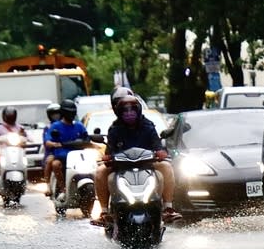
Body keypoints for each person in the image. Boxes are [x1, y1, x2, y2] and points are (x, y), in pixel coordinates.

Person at [90, 94, 182, 226]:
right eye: (125, 110)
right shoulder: (115, 129)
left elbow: (157, 146)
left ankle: (167, 208)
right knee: (100, 171)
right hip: (121, 167)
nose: (129, 113)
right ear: (119, 112)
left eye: (132, 109)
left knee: (166, 167)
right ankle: (104, 212)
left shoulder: (148, 126)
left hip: (147, 165)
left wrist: (160, 152)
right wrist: (107, 157)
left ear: (138, 110)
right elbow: (109, 152)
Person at [43, 99, 88, 200]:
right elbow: (48, 141)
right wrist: (55, 144)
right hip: (62, 157)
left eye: (72, 112)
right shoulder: (55, 126)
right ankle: (63, 189)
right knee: (55, 164)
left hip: (78, 158)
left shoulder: (79, 126)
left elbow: (86, 137)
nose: (71, 114)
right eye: (69, 112)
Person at [0, 106, 29, 188]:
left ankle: (25, 177)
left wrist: (24, 136)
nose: (10, 118)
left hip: (17, 151)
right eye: (9, 116)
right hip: (3, 152)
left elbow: (28, 138)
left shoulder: (20, 128)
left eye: (12, 116)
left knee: (24, 161)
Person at [41, 102, 61, 196]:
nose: (56, 116)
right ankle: (48, 185)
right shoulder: (48, 128)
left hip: (66, 151)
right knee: (49, 161)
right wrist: (54, 144)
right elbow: (46, 142)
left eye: (58, 113)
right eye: (54, 114)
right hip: (52, 152)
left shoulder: (66, 124)